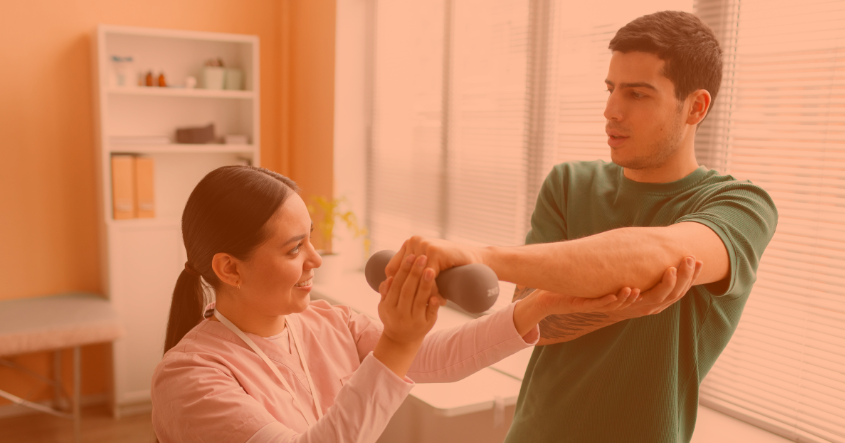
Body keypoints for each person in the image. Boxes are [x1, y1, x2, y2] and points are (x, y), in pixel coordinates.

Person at [386, 11, 778, 443]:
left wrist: (482, 257)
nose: (611, 111)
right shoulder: (570, 184)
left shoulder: (739, 206)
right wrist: (611, 307)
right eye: (611, 89)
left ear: (696, 106)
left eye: (638, 94)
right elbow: (535, 324)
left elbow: (660, 256)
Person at [150, 165, 696, 443]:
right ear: (229, 268)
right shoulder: (190, 380)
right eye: (295, 249)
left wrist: (544, 304)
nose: (316, 259)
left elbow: (433, 359)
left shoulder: (325, 320)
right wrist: (398, 339)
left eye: (312, 238)